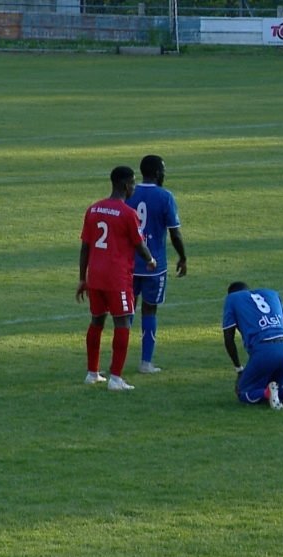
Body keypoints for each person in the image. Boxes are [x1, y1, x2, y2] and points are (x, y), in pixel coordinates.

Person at [76, 166, 156, 391]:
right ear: (124, 185)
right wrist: (151, 261)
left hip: (95, 276)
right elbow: (139, 245)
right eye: (132, 184)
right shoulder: (127, 213)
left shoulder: (93, 209)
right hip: (116, 278)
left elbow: (85, 247)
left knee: (97, 320)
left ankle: (92, 373)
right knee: (123, 321)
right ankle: (116, 378)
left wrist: (83, 278)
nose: (133, 188)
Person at [126, 155, 188, 374]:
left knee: (126, 312)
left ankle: (119, 363)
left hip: (130, 264)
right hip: (155, 266)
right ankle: (146, 363)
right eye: (163, 170)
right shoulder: (165, 196)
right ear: (158, 173)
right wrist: (183, 257)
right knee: (150, 310)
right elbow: (175, 232)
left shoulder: (129, 192)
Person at [222, 282, 283, 410]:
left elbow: (228, 338)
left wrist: (239, 369)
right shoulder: (272, 293)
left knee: (243, 392)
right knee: (276, 387)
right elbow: (282, 323)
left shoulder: (232, 298)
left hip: (264, 351)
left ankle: (267, 392)